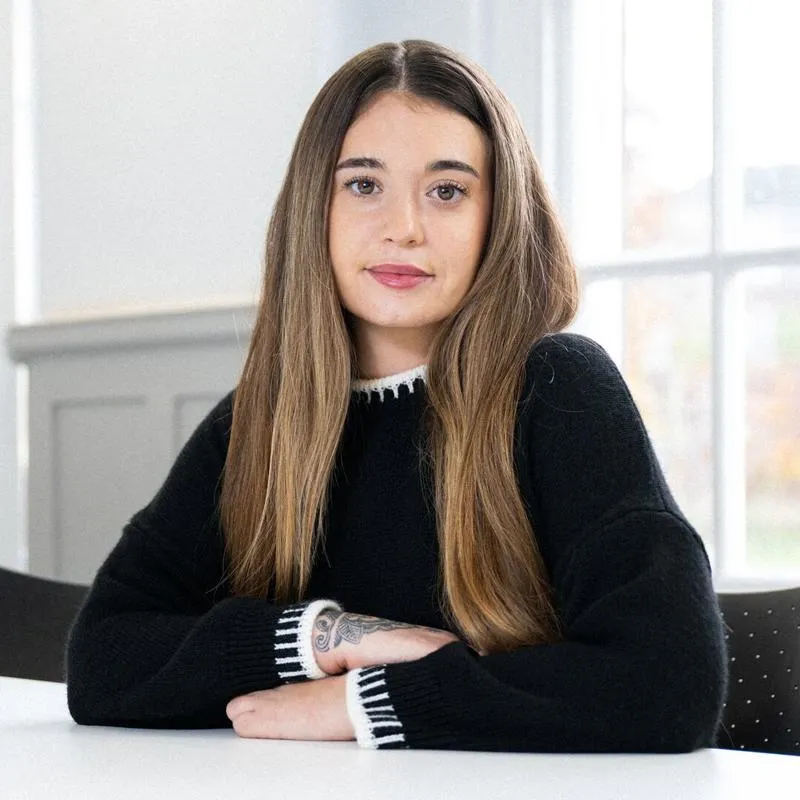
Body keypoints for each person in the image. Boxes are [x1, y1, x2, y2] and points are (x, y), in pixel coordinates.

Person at [66, 39, 727, 751]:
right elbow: (102, 659)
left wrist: (366, 703)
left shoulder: (559, 388)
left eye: (447, 191)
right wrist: (333, 639)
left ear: (497, 218)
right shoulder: (258, 422)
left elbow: (671, 680)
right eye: (363, 185)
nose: (404, 227)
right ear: (312, 210)